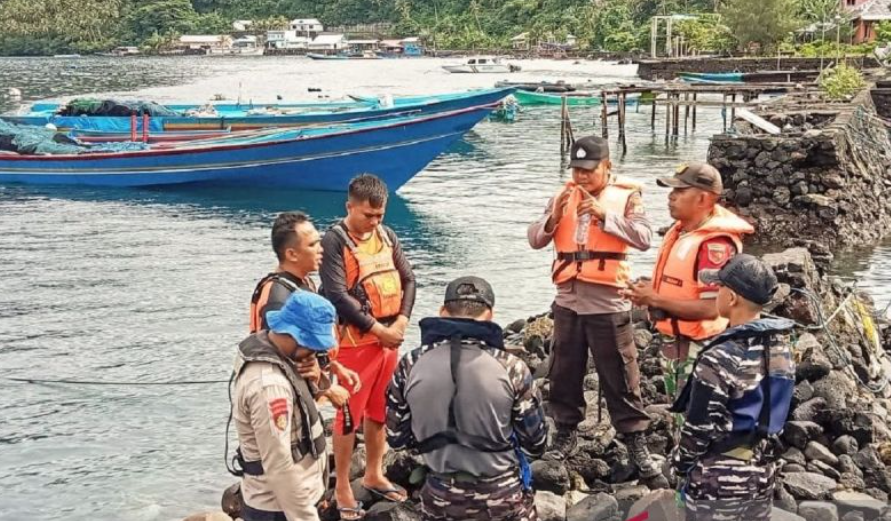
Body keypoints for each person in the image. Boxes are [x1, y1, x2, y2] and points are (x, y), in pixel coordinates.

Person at [527, 135, 664, 484]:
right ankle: (566, 433)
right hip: (567, 299)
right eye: (576, 169)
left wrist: (606, 217)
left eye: (588, 170)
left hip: (608, 300)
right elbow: (534, 239)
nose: (581, 176)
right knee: (563, 370)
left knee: (620, 372)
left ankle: (635, 441)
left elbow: (645, 237)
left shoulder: (627, 198)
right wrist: (552, 219)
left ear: (607, 167)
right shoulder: (562, 195)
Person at [386, 276, 548, 521]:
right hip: (502, 498)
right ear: (490, 314)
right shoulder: (511, 367)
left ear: (442, 312)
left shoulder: (410, 364)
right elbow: (535, 443)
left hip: (439, 496)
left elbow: (396, 439)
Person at [669, 254, 795, 521]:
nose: (716, 292)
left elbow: (698, 429)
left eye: (719, 287)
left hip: (718, 480)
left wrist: (680, 466)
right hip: (763, 471)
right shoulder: (781, 350)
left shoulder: (718, 357)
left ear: (732, 298)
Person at [320, 173, 417, 519]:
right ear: (350, 207)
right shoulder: (334, 241)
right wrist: (378, 329)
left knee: (380, 411)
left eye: (379, 215)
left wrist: (402, 320)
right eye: (367, 215)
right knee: (348, 415)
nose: (374, 222)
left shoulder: (387, 236)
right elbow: (337, 295)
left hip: (389, 342)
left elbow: (408, 279)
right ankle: (343, 484)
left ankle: (375, 472)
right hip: (352, 345)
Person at [625, 162, 754, 397]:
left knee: (697, 421)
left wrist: (656, 299)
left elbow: (712, 308)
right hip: (677, 344)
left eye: (680, 191)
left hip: (700, 349)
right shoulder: (683, 232)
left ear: (703, 199)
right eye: (672, 191)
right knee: (680, 418)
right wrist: (649, 292)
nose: (671, 197)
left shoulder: (714, 245)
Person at [230, 291, 340, 521]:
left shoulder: (283, 354)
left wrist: (317, 379)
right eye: (312, 345)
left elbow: (303, 404)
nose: (316, 352)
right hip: (278, 509)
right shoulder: (269, 386)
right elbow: (278, 466)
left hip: (297, 500)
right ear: (294, 335)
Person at [250, 210, 359, 407]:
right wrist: (328, 390)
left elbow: (307, 350)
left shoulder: (302, 282)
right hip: (286, 400)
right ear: (291, 254)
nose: (321, 249)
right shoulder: (277, 298)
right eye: (312, 245)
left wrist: (332, 366)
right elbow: (283, 360)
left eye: (319, 241)